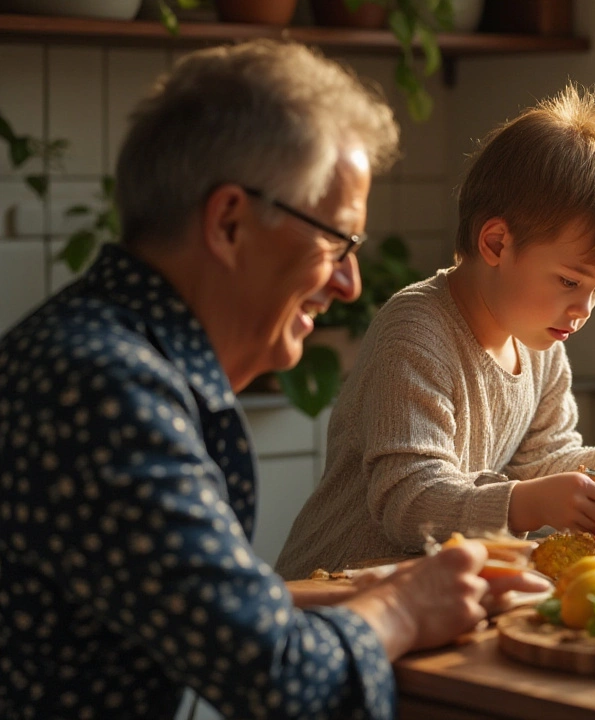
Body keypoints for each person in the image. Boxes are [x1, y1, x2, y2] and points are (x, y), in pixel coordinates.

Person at [0, 40, 546, 720]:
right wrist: (405, 606)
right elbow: (283, 684)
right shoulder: (107, 388)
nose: (349, 284)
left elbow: (212, 608)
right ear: (230, 223)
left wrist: (386, 585)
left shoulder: (109, 359)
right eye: (335, 242)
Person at [275, 84, 595, 580]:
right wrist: (529, 504)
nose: (584, 309)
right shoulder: (416, 332)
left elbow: (542, 462)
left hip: (430, 593)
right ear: (497, 242)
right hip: (335, 589)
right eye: (571, 281)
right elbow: (410, 501)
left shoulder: (540, 344)